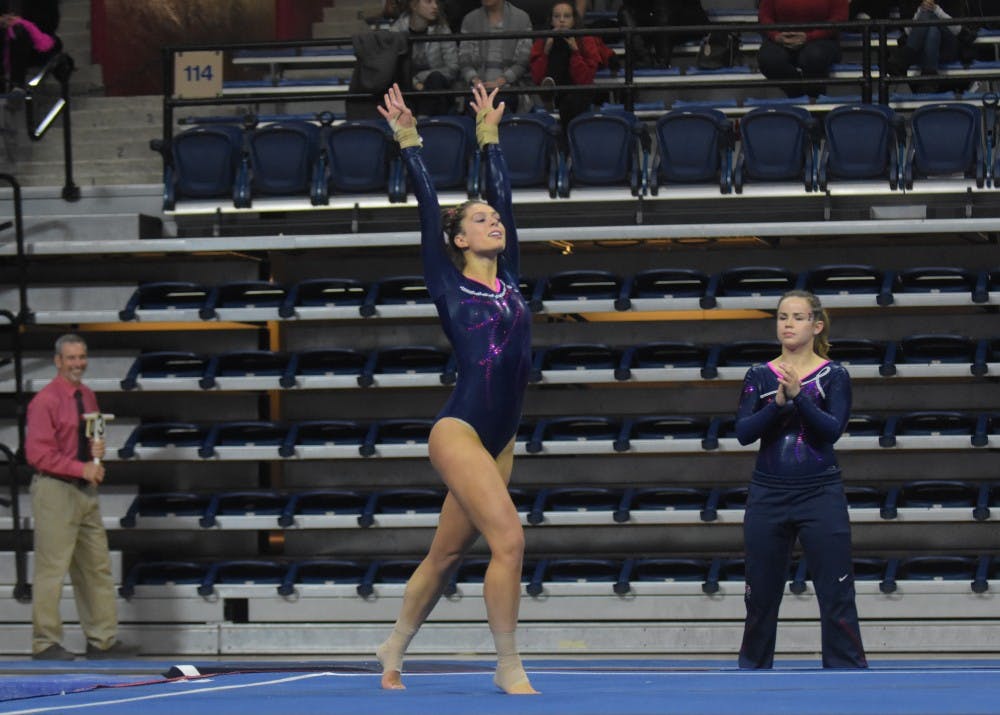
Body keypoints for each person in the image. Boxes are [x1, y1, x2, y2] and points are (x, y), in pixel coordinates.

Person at [374, 82, 537, 695]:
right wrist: (409, 137)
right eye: (479, 219)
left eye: (493, 218)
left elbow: (507, 199)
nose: (493, 220)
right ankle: (508, 663)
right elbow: (425, 204)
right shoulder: (448, 282)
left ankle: (392, 646)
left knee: (444, 556)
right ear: (459, 240)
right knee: (510, 540)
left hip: (501, 439)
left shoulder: (511, 276)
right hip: (460, 429)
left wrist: (490, 134)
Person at [734, 291, 867, 670]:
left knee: (836, 591)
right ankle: (753, 673)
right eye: (782, 317)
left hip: (819, 492)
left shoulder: (834, 374)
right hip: (769, 493)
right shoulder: (759, 375)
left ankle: (847, 675)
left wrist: (799, 397)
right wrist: (776, 404)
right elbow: (744, 432)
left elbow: (831, 430)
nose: (788, 324)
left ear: (816, 325)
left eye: (797, 317)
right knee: (760, 594)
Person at [25, 334, 137, 661]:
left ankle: (102, 641)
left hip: (84, 491)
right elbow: (38, 454)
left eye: (82, 357)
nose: (77, 364)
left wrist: (96, 452)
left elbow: (90, 437)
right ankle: (45, 642)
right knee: (52, 569)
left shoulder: (87, 396)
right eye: (71, 358)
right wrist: (80, 467)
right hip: (55, 489)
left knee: (96, 567)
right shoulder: (45, 401)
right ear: (58, 361)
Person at [529, 1, 613, 131]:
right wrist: (545, 52)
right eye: (557, 16)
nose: (561, 20)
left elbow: (585, 79)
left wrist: (575, 51)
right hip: (556, 91)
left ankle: (568, 144)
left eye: (567, 16)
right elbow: (537, 78)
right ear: (551, 20)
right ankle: (550, 94)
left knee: (572, 101)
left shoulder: (586, 39)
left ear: (574, 20)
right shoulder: (542, 41)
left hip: (579, 90)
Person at [757, 0, 847, 98]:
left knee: (814, 56)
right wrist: (775, 35)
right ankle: (798, 96)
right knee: (769, 59)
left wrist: (810, 36)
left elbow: (839, 18)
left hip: (823, 38)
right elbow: (764, 16)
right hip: (783, 37)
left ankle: (814, 97)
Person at [458, 0, 533, 112]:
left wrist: (502, 81)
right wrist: (475, 80)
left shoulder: (522, 18)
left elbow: (523, 61)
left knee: (500, 104)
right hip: (477, 88)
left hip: (509, 87)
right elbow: (464, 60)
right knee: (475, 104)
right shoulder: (470, 19)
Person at [888, 0, 976, 92]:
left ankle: (903, 60)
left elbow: (960, 31)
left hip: (948, 47)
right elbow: (908, 33)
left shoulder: (954, 3)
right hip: (921, 49)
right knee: (932, 28)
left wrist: (937, 10)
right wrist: (920, 11)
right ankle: (929, 77)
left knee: (932, 19)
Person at [390, 0, 460, 116]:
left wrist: (422, 78)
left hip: (436, 89)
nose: (435, 6)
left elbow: (453, 68)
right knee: (401, 84)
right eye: (429, 2)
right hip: (409, 88)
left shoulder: (442, 30)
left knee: (435, 78)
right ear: (414, 5)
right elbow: (396, 70)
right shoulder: (396, 31)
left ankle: (423, 120)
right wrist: (415, 83)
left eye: (436, 2)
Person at [1, 0, 61, 95]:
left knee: (19, 32)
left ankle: (17, 85)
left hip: (35, 44)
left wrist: (20, 22)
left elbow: (50, 24)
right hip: (6, 41)